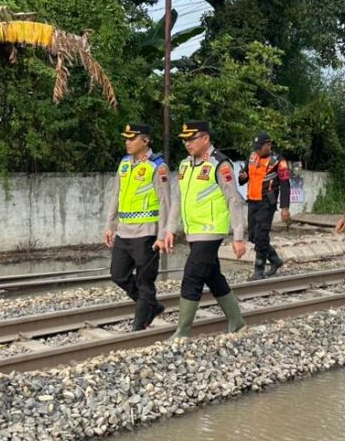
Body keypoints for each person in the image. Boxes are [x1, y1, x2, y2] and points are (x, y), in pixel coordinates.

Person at [162, 121, 248, 338]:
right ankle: (237, 322)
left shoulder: (220, 164)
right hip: (193, 231)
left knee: (192, 275)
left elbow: (234, 200)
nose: (187, 143)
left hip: (211, 231)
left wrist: (239, 236)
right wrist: (170, 229)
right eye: (184, 139)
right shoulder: (185, 165)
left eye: (192, 139)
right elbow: (178, 198)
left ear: (205, 139)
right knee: (212, 275)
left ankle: (182, 332)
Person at [103, 123, 169, 330]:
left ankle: (139, 327)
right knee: (118, 274)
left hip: (147, 232)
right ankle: (152, 305)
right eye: (126, 138)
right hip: (124, 231)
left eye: (132, 139)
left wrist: (162, 235)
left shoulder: (157, 167)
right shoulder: (124, 164)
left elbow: (165, 201)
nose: (127, 142)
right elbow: (116, 195)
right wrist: (109, 225)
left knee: (144, 281)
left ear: (146, 140)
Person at [237, 132, 291, 280]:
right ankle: (275, 260)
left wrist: (285, 208)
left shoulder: (278, 161)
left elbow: (285, 184)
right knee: (254, 236)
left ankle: (258, 270)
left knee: (261, 235)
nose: (257, 151)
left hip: (267, 202)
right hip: (252, 201)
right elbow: (245, 176)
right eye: (256, 148)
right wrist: (242, 177)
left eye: (260, 147)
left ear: (268, 145)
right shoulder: (253, 157)